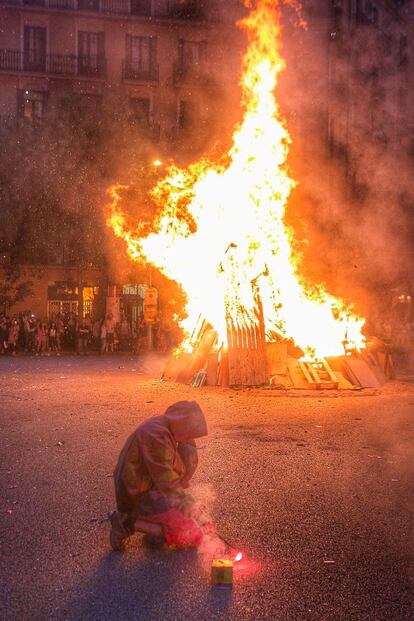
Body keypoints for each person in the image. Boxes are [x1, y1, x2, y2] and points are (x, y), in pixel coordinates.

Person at [110, 400, 209, 552]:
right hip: (135, 495)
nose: (188, 438)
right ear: (181, 423)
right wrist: (188, 504)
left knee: (184, 516)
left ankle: (157, 526)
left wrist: (186, 504)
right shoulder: (156, 436)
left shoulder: (165, 427)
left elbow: (170, 477)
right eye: (189, 433)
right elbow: (166, 481)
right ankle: (126, 522)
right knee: (186, 534)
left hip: (148, 486)